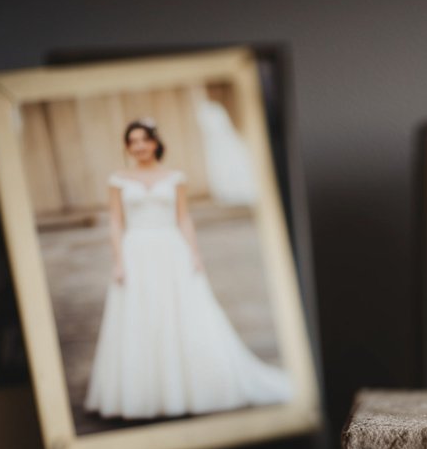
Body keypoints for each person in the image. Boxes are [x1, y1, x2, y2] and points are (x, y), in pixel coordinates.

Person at [83, 119, 292, 420]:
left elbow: (183, 218)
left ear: (155, 143)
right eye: (132, 141)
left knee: (183, 313)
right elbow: (116, 222)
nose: (139, 146)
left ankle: (191, 387)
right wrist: (118, 260)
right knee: (139, 317)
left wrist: (194, 253)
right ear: (127, 147)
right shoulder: (118, 179)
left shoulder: (175, 177)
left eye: (144, 139)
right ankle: (143, 393)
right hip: (136, 251)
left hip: (171, 249)